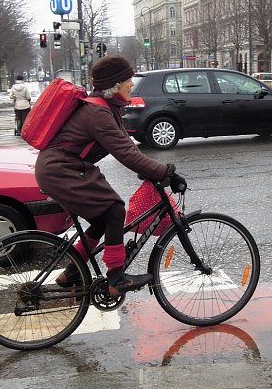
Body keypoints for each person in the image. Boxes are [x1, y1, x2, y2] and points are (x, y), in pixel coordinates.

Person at [34, 55, 186, 297]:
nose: (131, 85)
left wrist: (151, 172)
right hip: (61, 170)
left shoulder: (107, 109)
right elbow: (127, 155)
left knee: (102, 219)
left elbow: (128, 148)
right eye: (128, 80)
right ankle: (116, 278)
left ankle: (71, 272)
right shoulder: (98, 113)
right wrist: (166, 172)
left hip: (64, 168)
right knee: (114, 210)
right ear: (115, 84)